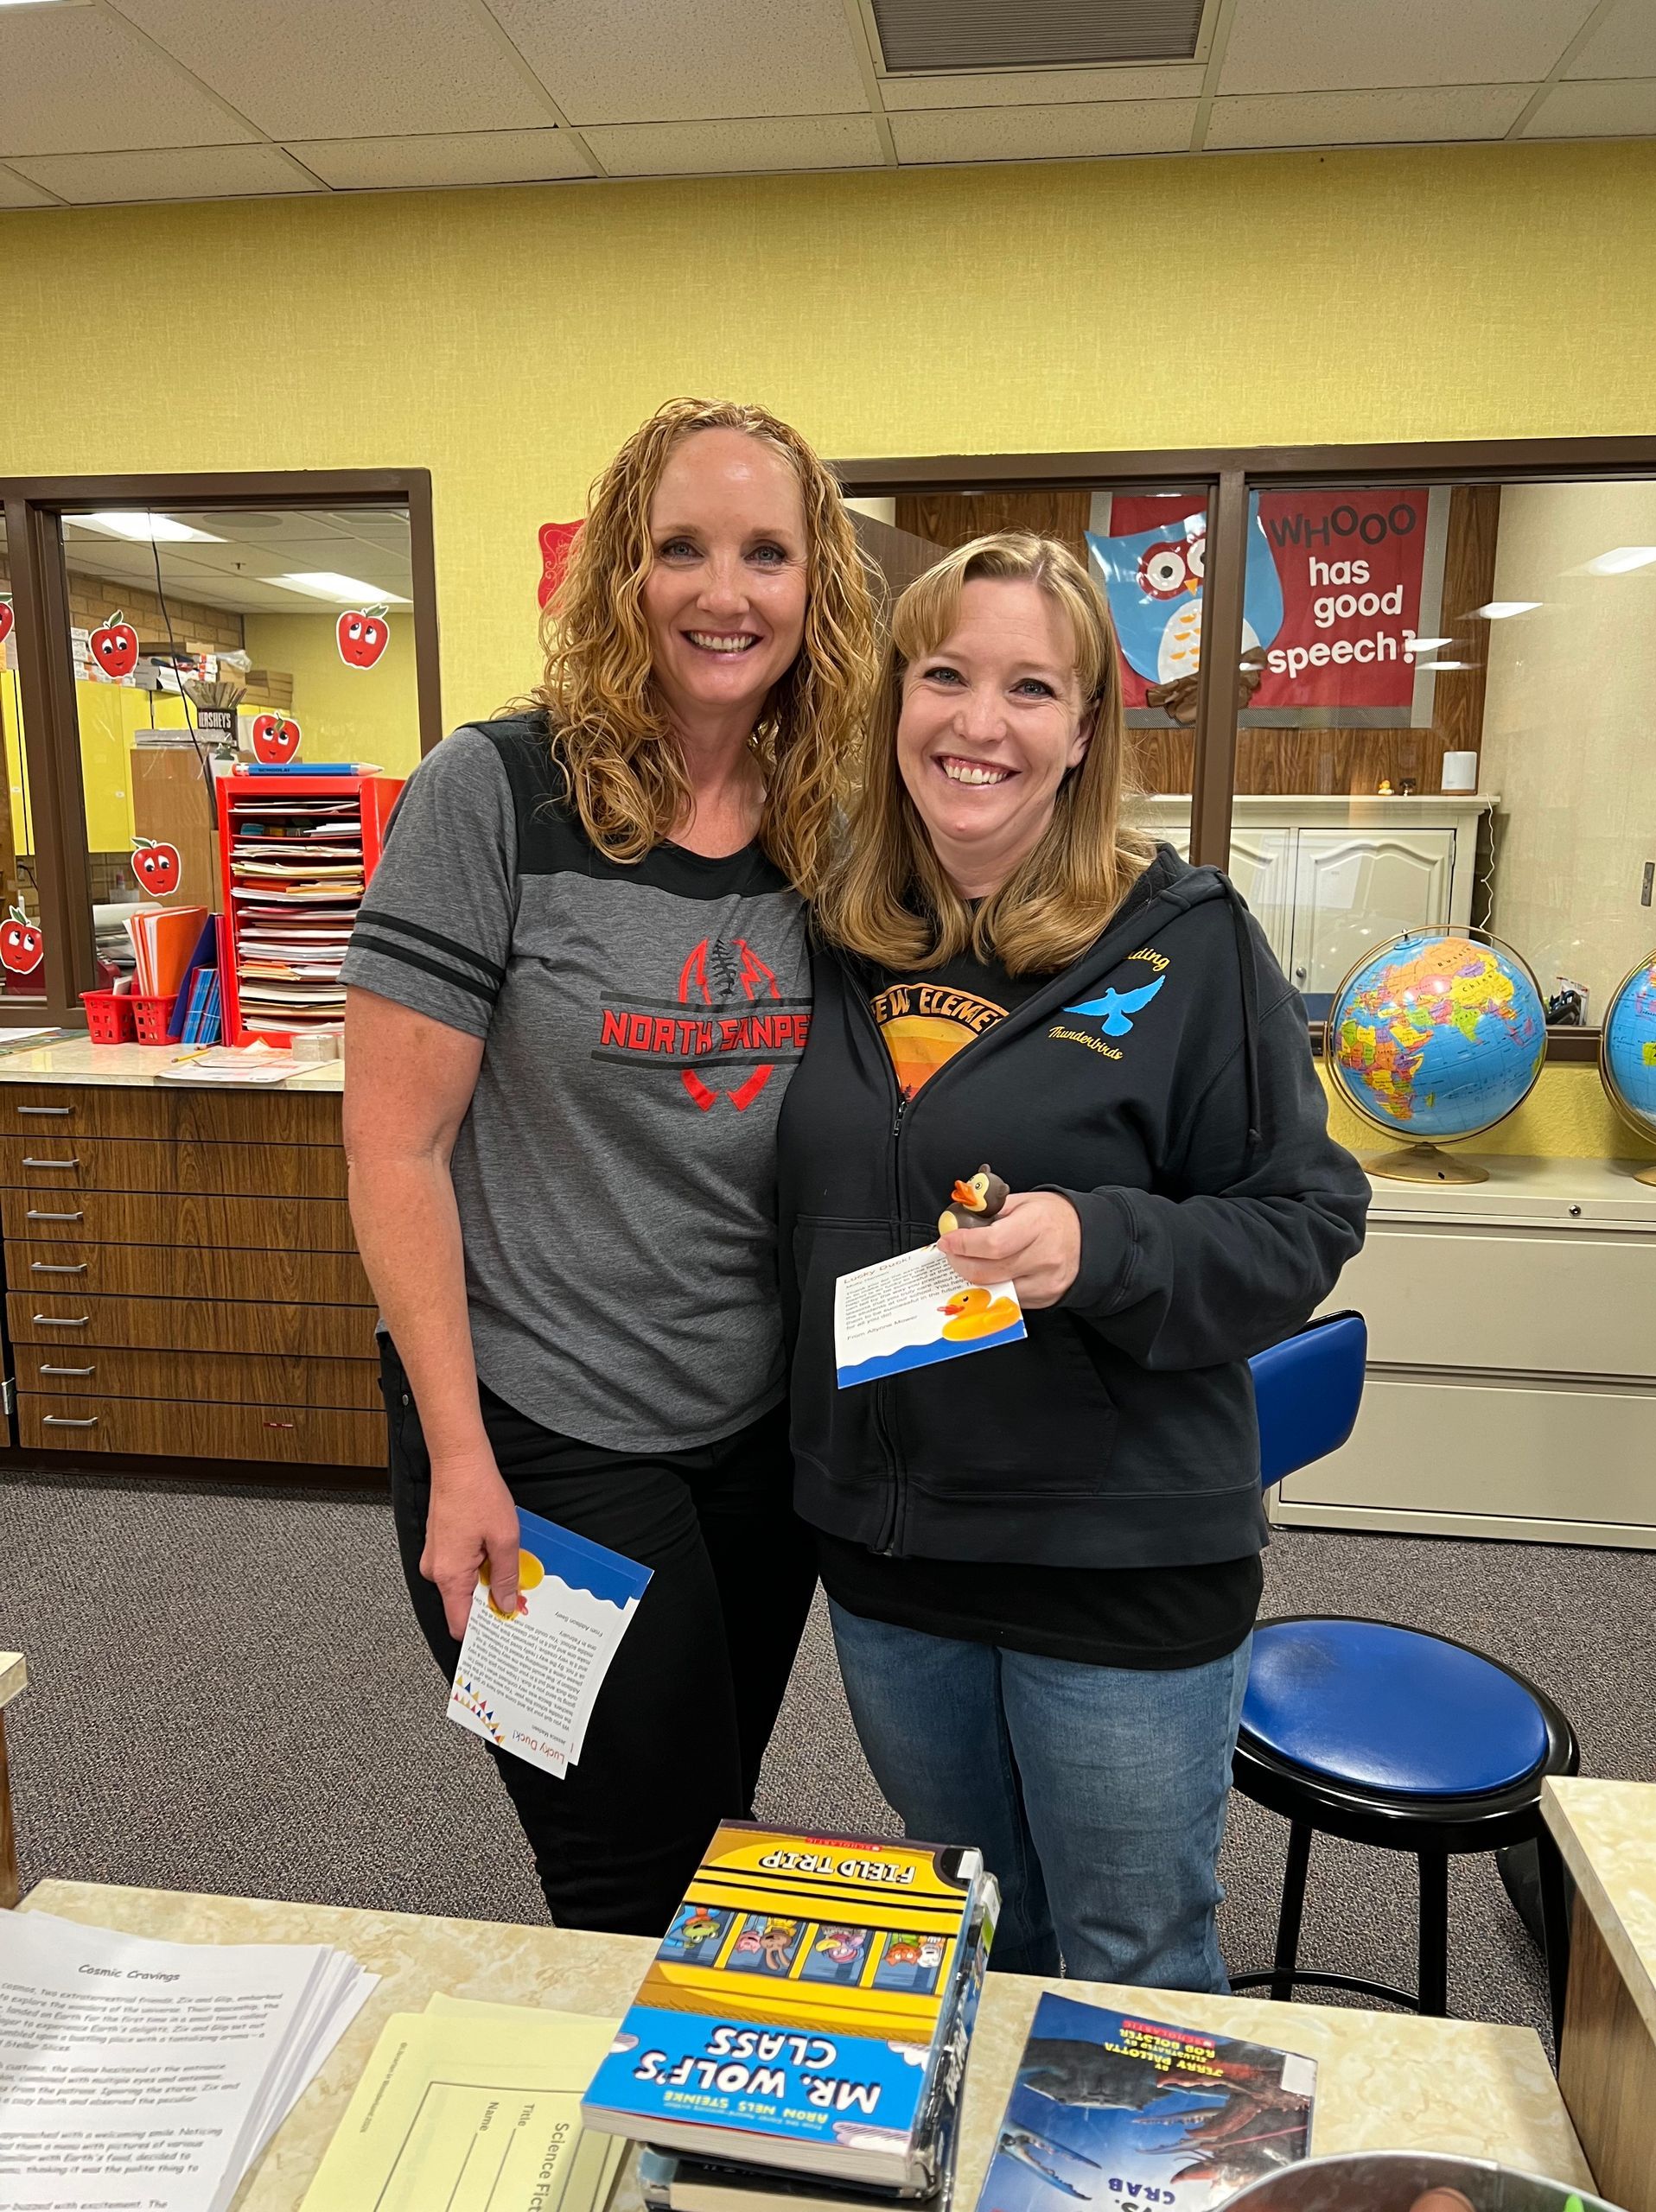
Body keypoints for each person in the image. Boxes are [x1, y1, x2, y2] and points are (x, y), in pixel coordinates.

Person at [778, 532, 1369, 1990]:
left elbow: (1306, 1216)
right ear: (894, 703)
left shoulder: (1189, 938)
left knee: (1132, 1956)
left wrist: (1103, 1240)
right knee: (983, 1930)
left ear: (1086, 727)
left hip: (1117, 1555)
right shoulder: (823, 935)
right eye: (947, 676)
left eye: (1032, 687)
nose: (982, 724)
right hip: (894, 1557)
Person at [341, 397, 880, 1935]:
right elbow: (393, 1149)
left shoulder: (833, 824)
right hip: (538, 1430)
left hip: (754, 1437)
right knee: (618, 1870)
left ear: (815, 584)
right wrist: (455, 1460)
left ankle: (676, 2149)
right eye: (683, 549)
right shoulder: (493, 792)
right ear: (620, 576)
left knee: (708, 1823)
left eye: (767, 552)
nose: (728, 591)